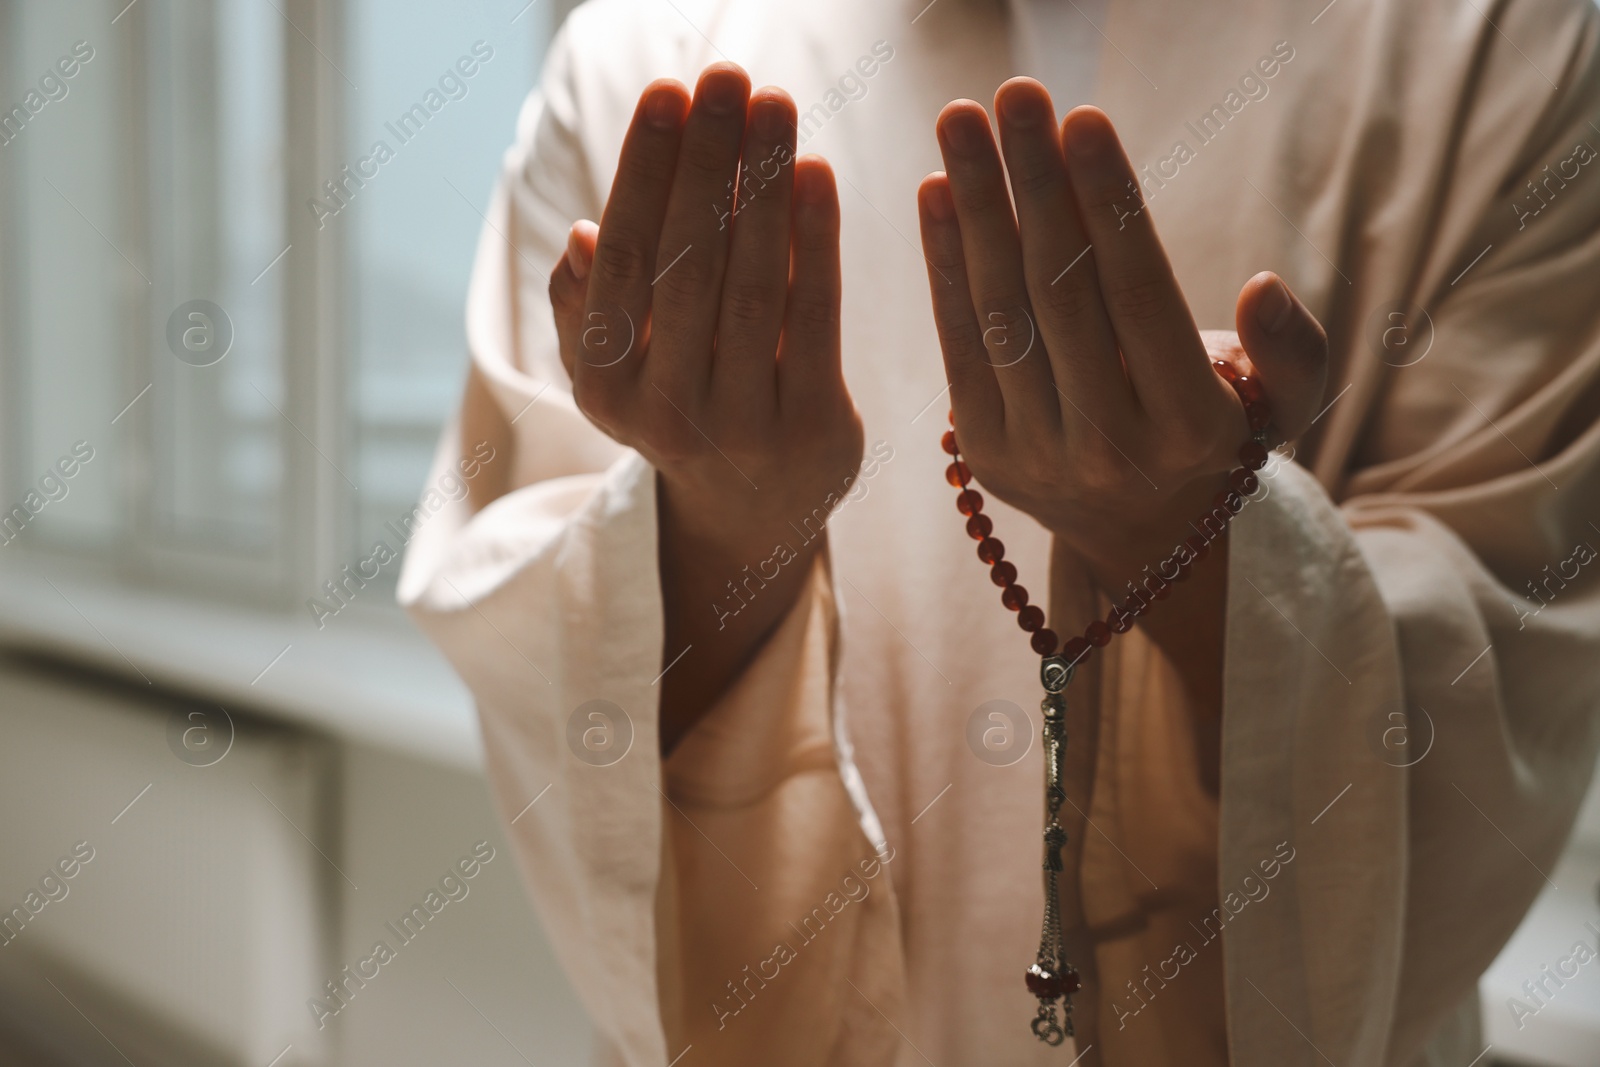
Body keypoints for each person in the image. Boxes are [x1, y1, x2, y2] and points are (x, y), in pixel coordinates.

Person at [397, 0, 1600, 1063]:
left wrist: (1197, 553)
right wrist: (717, 532)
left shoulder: (1502, 43)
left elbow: (1501, 650)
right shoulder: (640, 54)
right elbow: (536, 631)